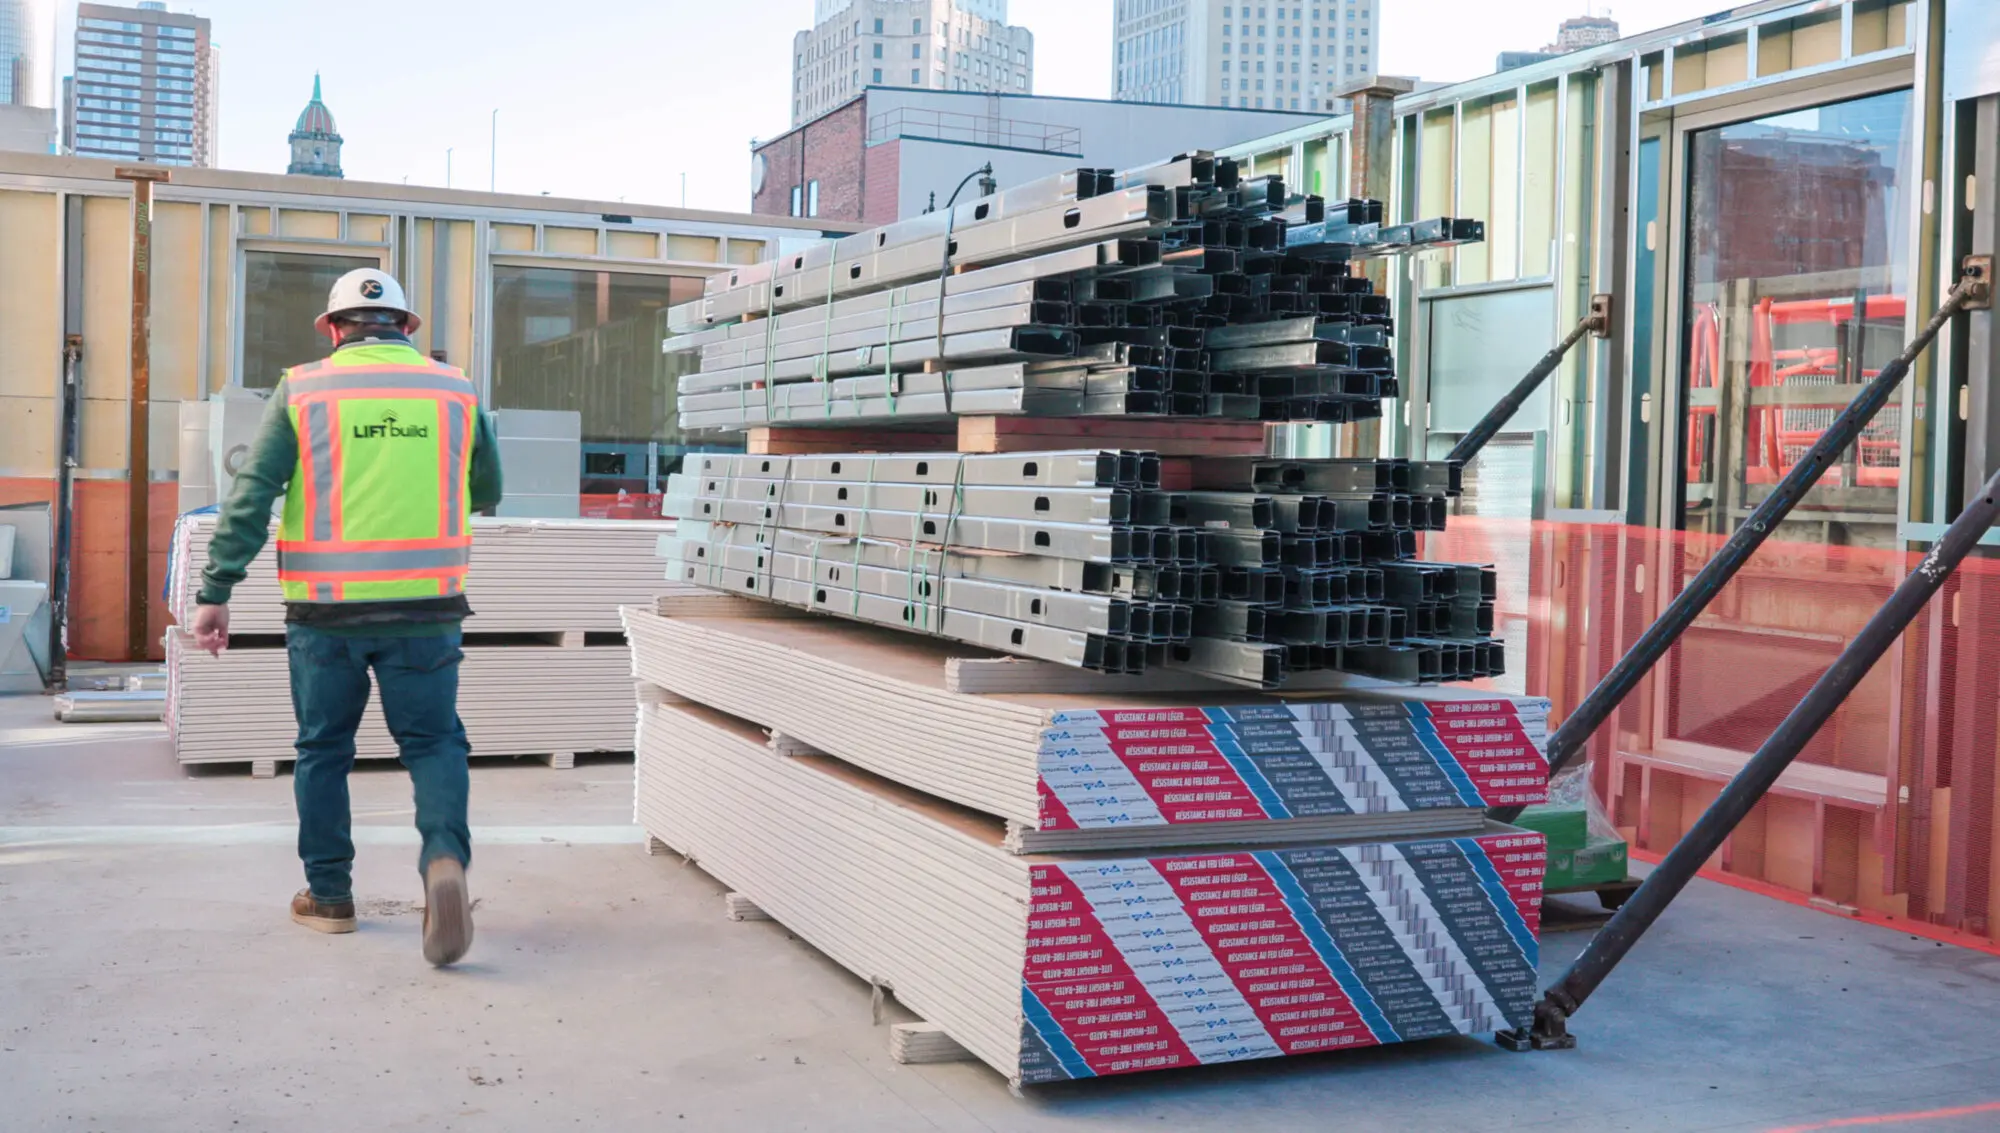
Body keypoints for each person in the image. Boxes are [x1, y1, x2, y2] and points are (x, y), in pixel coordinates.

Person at [190, 267, 503, 966]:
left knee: (323, 749)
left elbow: (252, 494)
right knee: (433, 744)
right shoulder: (455, 391)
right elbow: (489, 488)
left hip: (324, 614)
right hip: (427, 609)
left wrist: (217, 590)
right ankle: (444, 860)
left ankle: (330, 897)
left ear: (333, 330)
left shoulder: (302, 388)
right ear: (407, 329)